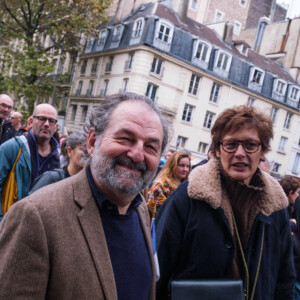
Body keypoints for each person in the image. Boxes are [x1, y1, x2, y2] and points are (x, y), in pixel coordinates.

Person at [0, 92, 169, 299]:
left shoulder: (140, 208)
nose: (137, 154)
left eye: (151, 147)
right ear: (92, 141)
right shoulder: (34, 216)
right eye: (125, 138)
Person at [155, 105, 295, 300]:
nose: (240, 153)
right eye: (231, 144)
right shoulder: (187, 198)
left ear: (262, 151)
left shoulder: (276, 207)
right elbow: (157, 274)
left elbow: (284, 279)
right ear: (218, 150)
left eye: (250, 145)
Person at [0, 103, 59, 220]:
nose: (46, 124)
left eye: (51, 121)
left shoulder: (58, 158)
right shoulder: (11, 148)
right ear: (31, 121)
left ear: (56, 127)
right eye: (42, 119)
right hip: (10, 224)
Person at [28, 129, 86, 195]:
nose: (88, 154)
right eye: (83, 149)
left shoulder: (88, 185)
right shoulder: (52, 178)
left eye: (92, 150)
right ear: (69, 151)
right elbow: (28, 203)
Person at [147, 151, 190, 216]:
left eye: (188, 166)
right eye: (181, 165)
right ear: (172, 165)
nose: (185, 169)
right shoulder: (161, 185)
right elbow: (155, 214)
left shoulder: (186, 185)